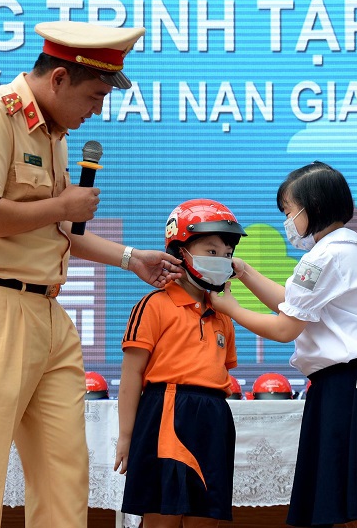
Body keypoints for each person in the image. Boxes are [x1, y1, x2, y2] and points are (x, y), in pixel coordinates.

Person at [0, 20, 182, 528]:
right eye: (94, 95)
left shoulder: (56, 135)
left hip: (47, 313)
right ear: (60, 79)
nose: (98, 110)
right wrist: (61, 204)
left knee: (65, 472)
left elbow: (58, 229)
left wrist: (130, 258)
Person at [209, 162, 357, 528]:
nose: (287, 221)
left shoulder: (323, 258)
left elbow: (285, 327)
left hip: (350, 386)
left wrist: (229, 307)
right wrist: (246, 273)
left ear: (311, 207)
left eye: (288, 211)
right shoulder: (338, 252)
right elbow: (293, 304)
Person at [114, 199, 247, 528]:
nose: (222, 260)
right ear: (179, 251)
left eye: (227, 254)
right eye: (211, 251)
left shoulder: (224, 312)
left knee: (206, 517)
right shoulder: (153, 305)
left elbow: (224, 369)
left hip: (214, 417)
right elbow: (131, 375)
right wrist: (127, 436)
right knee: (162, 517)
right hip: (165, 413)